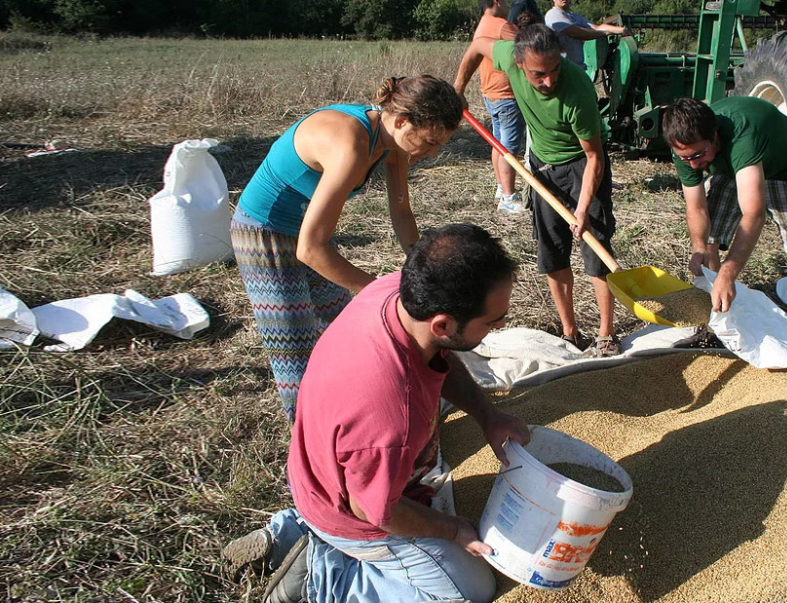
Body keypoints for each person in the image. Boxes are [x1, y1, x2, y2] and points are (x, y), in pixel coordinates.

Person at [222, 224, 531, 603]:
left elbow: (441, 356)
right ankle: (323, 578)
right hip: (352, 514)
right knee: (470, 589)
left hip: (323, 472)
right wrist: (452, 530)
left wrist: (487, 415)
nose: (502, 326)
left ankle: (293, 530)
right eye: (493, 321)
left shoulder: (392, 292)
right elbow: (376, 512)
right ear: (443, 324)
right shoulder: (392, 413)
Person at [230, 75, 463, 422]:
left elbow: (400, 209)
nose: (430, 154)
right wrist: (383, 291)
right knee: (294, 347)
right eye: (429, 142)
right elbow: (311, 250)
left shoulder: (393, 143)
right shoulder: (351, 144)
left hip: (308, 226)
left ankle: (353, 412)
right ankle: (310, 437)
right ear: (401, 121)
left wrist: (420, 268)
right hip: (265, 232)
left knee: (341, 327)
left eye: (438, 146)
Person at [454, 24, 620, 357]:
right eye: (538, 74)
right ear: (518, 63)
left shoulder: (577, 90)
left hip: (581, 166)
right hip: (542, 167)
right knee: (553, 252)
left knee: (596, 251)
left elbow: (594, 157)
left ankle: (605, 334)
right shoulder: (507, 56)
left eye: (554, 70)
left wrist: (583, 209)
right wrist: (458, 88)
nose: (549, 81)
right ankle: (570, 332)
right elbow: (476, 46)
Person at [662, 96, 787, 355]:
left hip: (783, 168)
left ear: (714, 135)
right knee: (710, 238)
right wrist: (699, 246)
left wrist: (728, 274)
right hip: (731, 167)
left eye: (698, 155)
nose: (692, 164)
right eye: (685, 157)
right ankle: (713, 329)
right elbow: (696, 206)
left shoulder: (743, 137)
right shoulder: (686, 148)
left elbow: (753, 214)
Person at [472, 0, 528, 214]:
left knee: (498, 143)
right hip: (506, 94)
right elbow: (529, 45)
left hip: (492, 93)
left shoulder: (484, 22)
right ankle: (508, 197)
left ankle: (500, 187)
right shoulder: (501, 25)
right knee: (509, 149)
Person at [544, 0, 631, 71]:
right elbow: (576, 33)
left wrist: (621, 30)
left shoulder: (574, 16)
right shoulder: (553, 15)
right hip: (562, 71)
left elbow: (597, 28)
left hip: (577, 69)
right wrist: (605, 33)